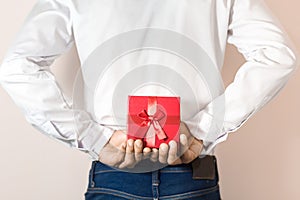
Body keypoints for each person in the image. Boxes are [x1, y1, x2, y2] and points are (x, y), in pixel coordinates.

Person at [0, 0, 298, 199]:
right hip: (192, 174)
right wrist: (201, 131)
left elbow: (17, 66)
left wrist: (96, 138)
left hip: (115, 173)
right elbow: (277, 56)